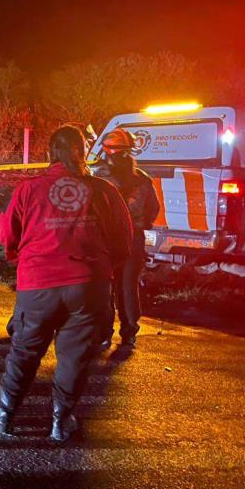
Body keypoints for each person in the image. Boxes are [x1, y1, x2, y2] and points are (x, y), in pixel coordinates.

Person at [0, 125, 133, 443]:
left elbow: (9, 236)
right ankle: (61, 422)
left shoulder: (28, 189)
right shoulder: (104, 190)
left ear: (50, 154)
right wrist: (101, 271)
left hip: (38, 285)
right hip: (89, 286)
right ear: (84, 153)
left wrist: (23, 260)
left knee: (25, 350)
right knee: (75, 356)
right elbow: (123, 241)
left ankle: (5, 415)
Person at [94, 128, 160, 348]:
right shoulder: (142, 179)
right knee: (128, 286)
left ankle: (104, 333)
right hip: (133, 239)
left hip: (107, 240)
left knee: (105, 286)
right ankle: (129, 332)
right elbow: (153, 209)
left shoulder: (98, 179)